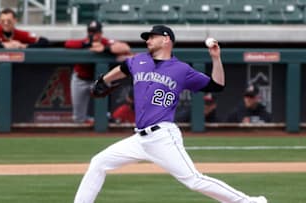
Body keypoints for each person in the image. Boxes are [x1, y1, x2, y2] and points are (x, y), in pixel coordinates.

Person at [74, 25, 267, 203]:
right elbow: (123, 68)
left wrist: (216, 58)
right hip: (138, 139)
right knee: (99, 162)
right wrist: (105, 80)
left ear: (166, 40)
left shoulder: (181, 69)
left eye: (152, 37)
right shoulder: (139, 60)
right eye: (147, 38)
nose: (147, 40)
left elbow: (217, 85)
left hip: (162, 137)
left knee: (194, 180)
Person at [64, 20, 132, 124]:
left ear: (100, 33)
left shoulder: (105, 42)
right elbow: (68, 44)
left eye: (95, 32)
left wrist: (105, 49)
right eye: (91, 32)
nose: (93, 34)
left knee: (104, 116)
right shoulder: (84, 42)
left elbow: (125, 47)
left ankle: (104, 124)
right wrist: (86, 45)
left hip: (99, 80)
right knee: (78, 118)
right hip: (80, 79)